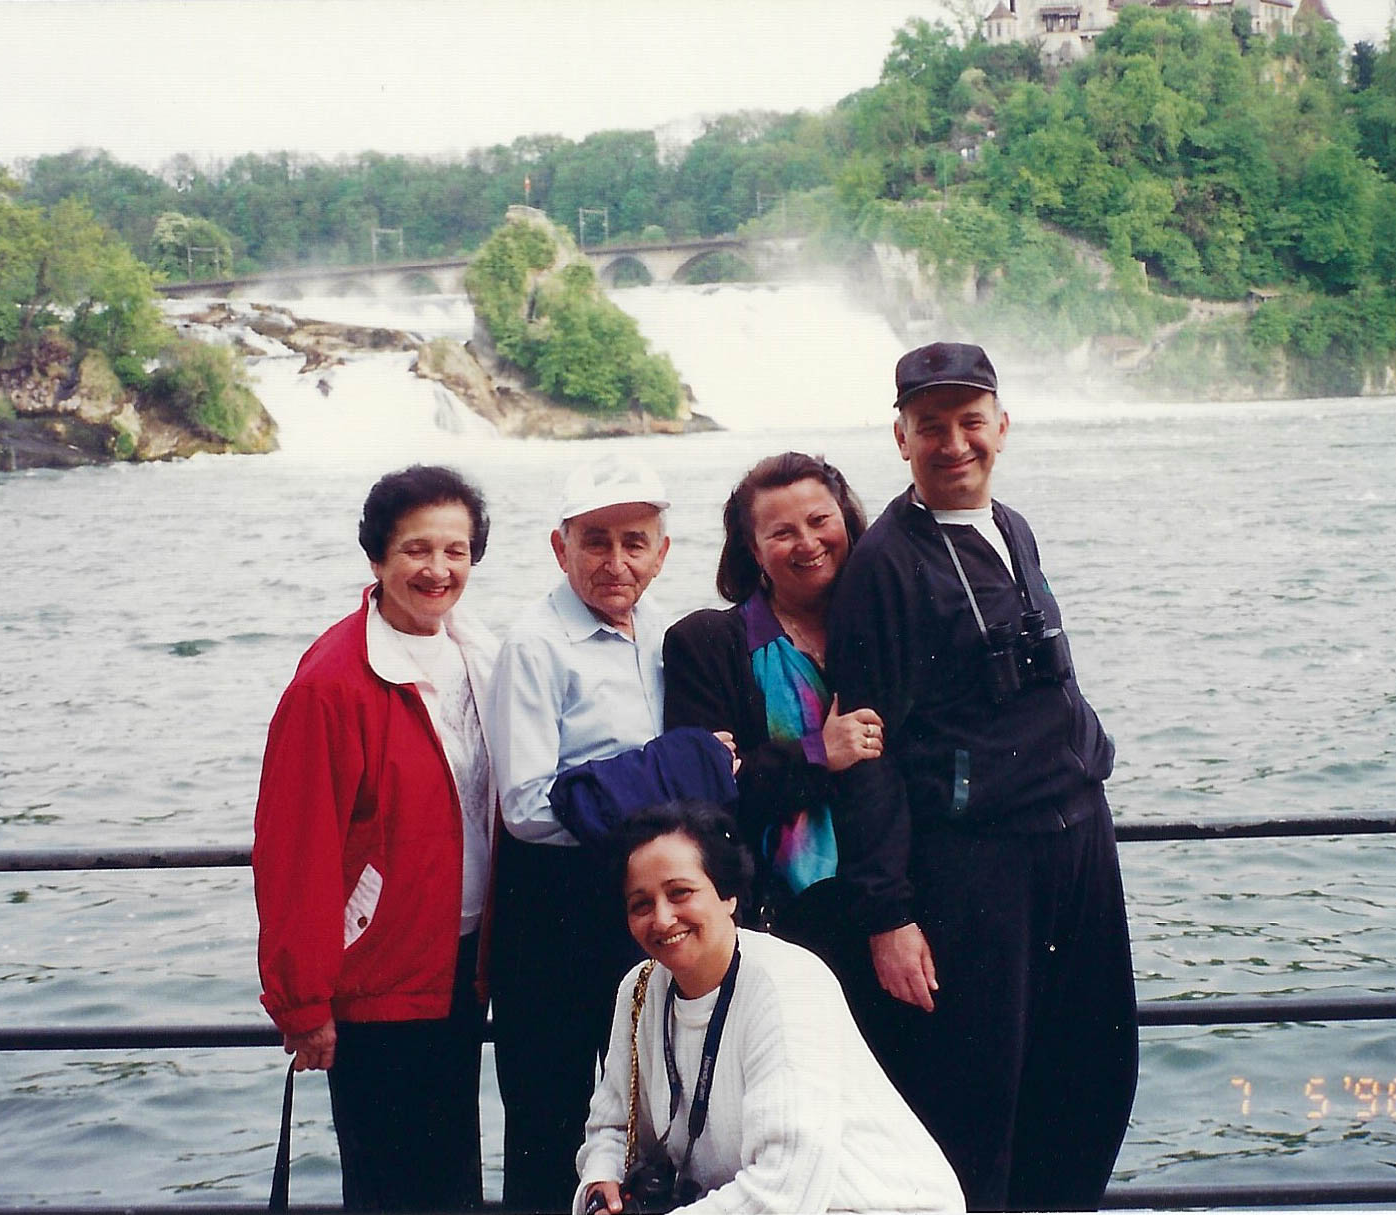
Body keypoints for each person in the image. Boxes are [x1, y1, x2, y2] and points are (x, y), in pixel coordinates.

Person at [825, 342, 1139, 1212]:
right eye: (931, 426)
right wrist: (887, 914)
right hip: (978, 863)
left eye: (970, 422)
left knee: (1091, 1069)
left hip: (1076, 839)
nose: (953, 443)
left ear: (1002, 425)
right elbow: (868, 753)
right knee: (973, 1098)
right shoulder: (885, 564)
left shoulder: (1013, 527)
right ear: (900, 438)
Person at [251, 464, 497, 1212]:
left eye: (455, 550)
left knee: (452, 1176)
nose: (438, 569)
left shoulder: (478, 655)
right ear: (377, 556)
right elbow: (294, 851)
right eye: (416, 549)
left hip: (461, 962)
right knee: (391, 1186)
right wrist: (302, 1002)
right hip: (377, 975)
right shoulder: (331, 683)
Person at [576, 801, 965, 1215]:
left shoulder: (786, 984)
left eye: (680, 893)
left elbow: (786, 1185)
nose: (662, 918)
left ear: (728, 894)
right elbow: (613, 1126)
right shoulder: (639, 989)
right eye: (641, 904)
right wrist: (601, 1189)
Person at [486, 454, 681, 1212]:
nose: (615, 561)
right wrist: (663, 782)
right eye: (594, 541)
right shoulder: (535, 643)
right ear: (558, 546)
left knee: (648, 1111)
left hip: (637, 903)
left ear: (661, 552)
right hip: (554, 904)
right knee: (550, 1117)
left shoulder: (660, 632)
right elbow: (527, 806)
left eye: (635, 542)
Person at [662, 453, 885, 967]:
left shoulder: (887, 631)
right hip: (780, 924)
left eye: (819, 520)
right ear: (752, 548)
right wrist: (818, 753)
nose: (807, 543)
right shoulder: (709, 643)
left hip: (896, 914)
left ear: (847, 521)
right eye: (782, 533)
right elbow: (708, 805)